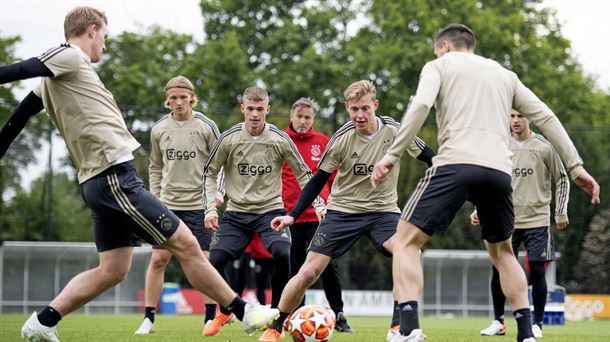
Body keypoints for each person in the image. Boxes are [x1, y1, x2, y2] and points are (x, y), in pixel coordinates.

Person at [0, 7, 278, 342]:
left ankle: (42, 322)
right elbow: (20, 69)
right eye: (104, 34)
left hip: (96, 181)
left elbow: (20, 115)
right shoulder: (68, 56)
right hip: (114, 176)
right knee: (186, 243)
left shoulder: (56, 78)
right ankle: (244, 312)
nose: (105, 42)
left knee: (113, 270)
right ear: (91, 30)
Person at [371, 24, 600, 342]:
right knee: (504, 253)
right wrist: (576, 167)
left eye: (437, 50)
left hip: (455, 164)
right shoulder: (505, 75)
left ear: (445, 47)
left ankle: (407, 328)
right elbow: (546, 116)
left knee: (406, 242)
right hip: (499, 173)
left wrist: (391, 156)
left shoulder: (439, 65)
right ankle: (526, 332)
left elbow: (421, 105)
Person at [264, 80, 435, 342]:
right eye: (354, 109)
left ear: (375, 105)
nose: (360, 115)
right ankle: (276, 326)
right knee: (308, 272)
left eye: (365, 108)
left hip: (383, 211)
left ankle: (399, 326)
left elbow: (431, 158)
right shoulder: (342, 138)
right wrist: (292, 215)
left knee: (409, 251)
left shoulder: (395, 131)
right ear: (347, 108)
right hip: (342, 211)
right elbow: (317, 181)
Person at [202, 86, 326, 337]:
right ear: (243, 109)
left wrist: (319, 205)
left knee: (282, 254)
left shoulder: (279, 139)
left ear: (267, 109)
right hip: (236, 214)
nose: (255, 114)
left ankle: (276, 322)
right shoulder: (229, 138)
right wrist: (209, 210)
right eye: (250, 109)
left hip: (270, 212)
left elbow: (304, 174)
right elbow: (210, 172)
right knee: (213, 262)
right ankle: (228, 309)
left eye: (260, 109)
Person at [134, 76, 225, 335]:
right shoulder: (159, 129)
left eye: (183, 97)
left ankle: (209, 317)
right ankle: (149, 319)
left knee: (204, 262)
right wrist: (156, 198)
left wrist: (217, 193)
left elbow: (221, 162)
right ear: (167, 101)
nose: (178, 102)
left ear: (191, 98)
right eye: (173, 98)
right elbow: (155, 167)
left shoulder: (207, 126)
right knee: (159, 259)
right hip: (168, 206)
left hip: (200, 205)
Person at [473, 109, 570, 338]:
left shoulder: (544, 147)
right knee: (499, 269)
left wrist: (561, 211)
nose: (515, 121)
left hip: (538, 221)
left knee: (537, 270)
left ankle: (537, 324)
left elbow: (562, 178)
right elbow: (487, 181)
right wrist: (479, 208)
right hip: (506, 219)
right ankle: (498, 321)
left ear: (530, 118)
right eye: (512, 116)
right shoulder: (500, 146)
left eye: (520, 116)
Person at [281, 97, 353, 333]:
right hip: (289, 216)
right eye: (299, 116)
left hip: (318, 217)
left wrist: (331, 206)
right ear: (292, 116)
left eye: (307, 117)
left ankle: (339, 314)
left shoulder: (323, 142)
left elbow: (334, 179)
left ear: (313, 119)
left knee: (327, 267)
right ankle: (294, 316)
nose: (303, 121)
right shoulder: (280, 141)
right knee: (295, 269)